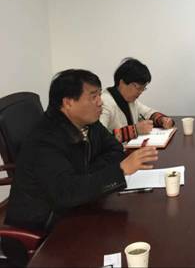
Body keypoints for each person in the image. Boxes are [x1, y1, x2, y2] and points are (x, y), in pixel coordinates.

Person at [4, 69, 158, 234]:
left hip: (79, 208)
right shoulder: (44, 140)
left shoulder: (89, 122)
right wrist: (120, 170)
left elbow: (115, 149)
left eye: (99, 95)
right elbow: (67, 193)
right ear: (68, 102)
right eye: (93, 97)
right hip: (46, 229)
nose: (100, 102)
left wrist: (86, 175)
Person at [100, 58, 174, 143]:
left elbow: (148, 113)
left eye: (143, 88)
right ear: (122, 82)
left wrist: (162, 120)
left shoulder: (130, 100)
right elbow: (99, 139)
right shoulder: (104, 102)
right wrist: (134, 130)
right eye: (138, 88)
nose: (140, 92)